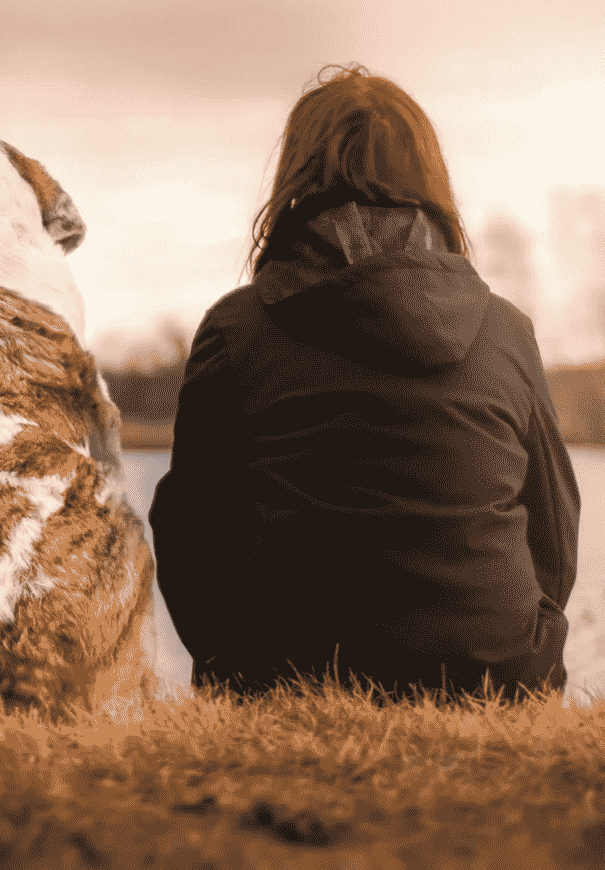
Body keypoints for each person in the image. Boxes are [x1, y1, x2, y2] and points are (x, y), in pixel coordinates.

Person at [147, 63, 579, 702]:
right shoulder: (505, 333)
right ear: (430, 180)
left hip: (279, 680)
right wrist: (521, 659)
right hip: (489, 682)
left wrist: (229, 660)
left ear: (296, 177)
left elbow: (188, 535)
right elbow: (554, 527)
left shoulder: (233, 330)